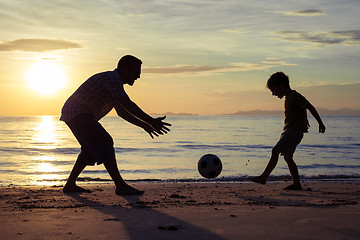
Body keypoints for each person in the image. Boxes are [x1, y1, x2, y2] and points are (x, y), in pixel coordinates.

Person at [60, 55, 171, 195]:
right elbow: (128, 104)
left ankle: (70, 184)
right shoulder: (112, 79)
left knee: (89, 150)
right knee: (105, 141)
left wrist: (144, 125)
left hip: (73, 113)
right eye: (136, 72)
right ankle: (120, 185)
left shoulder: (114, 85)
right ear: (125, 69)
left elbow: (122, 112)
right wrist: (152, 121)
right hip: (77, 112)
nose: (138, 77)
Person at [249, 72, 326, 190]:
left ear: (281, 86)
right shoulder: (288, 97)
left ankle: (263, 177)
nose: (274, 94)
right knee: (288, 157)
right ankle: (296, 184)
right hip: (291, 131)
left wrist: (320, 123)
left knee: (275, 151)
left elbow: (309, 106)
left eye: (274, 90)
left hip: (293, 132)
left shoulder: (294, 96)